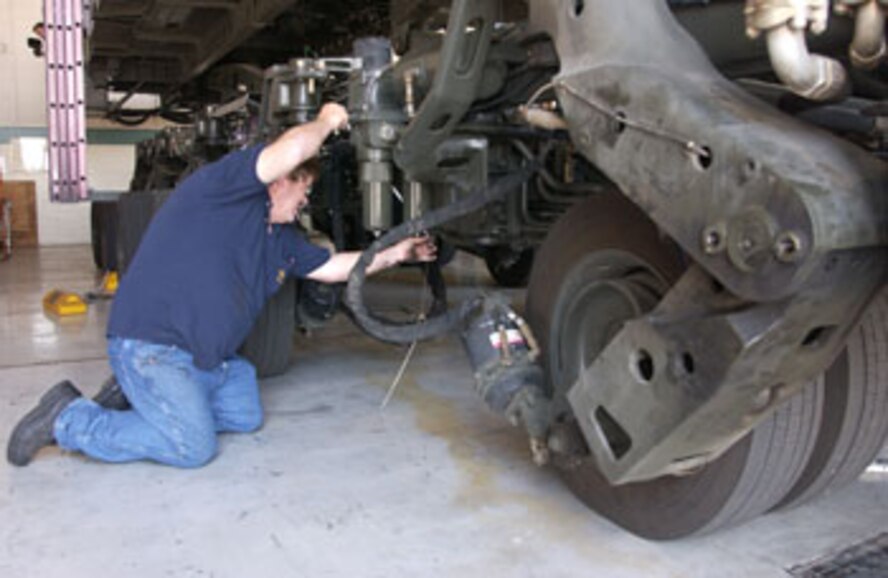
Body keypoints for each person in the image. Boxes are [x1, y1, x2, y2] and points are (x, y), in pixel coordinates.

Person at [7, 102, 436, 468]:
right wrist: (326, 119)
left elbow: (334, 268)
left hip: (204, 360)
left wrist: (396, 253)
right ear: (279, 180)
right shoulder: (224, 188)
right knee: (193, 447)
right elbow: (293, 148)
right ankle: (69, 419)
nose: (306, 200)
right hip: (151, 347)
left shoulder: (281, 238)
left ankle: (151, 400)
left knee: (246, 415)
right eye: (304, 188)